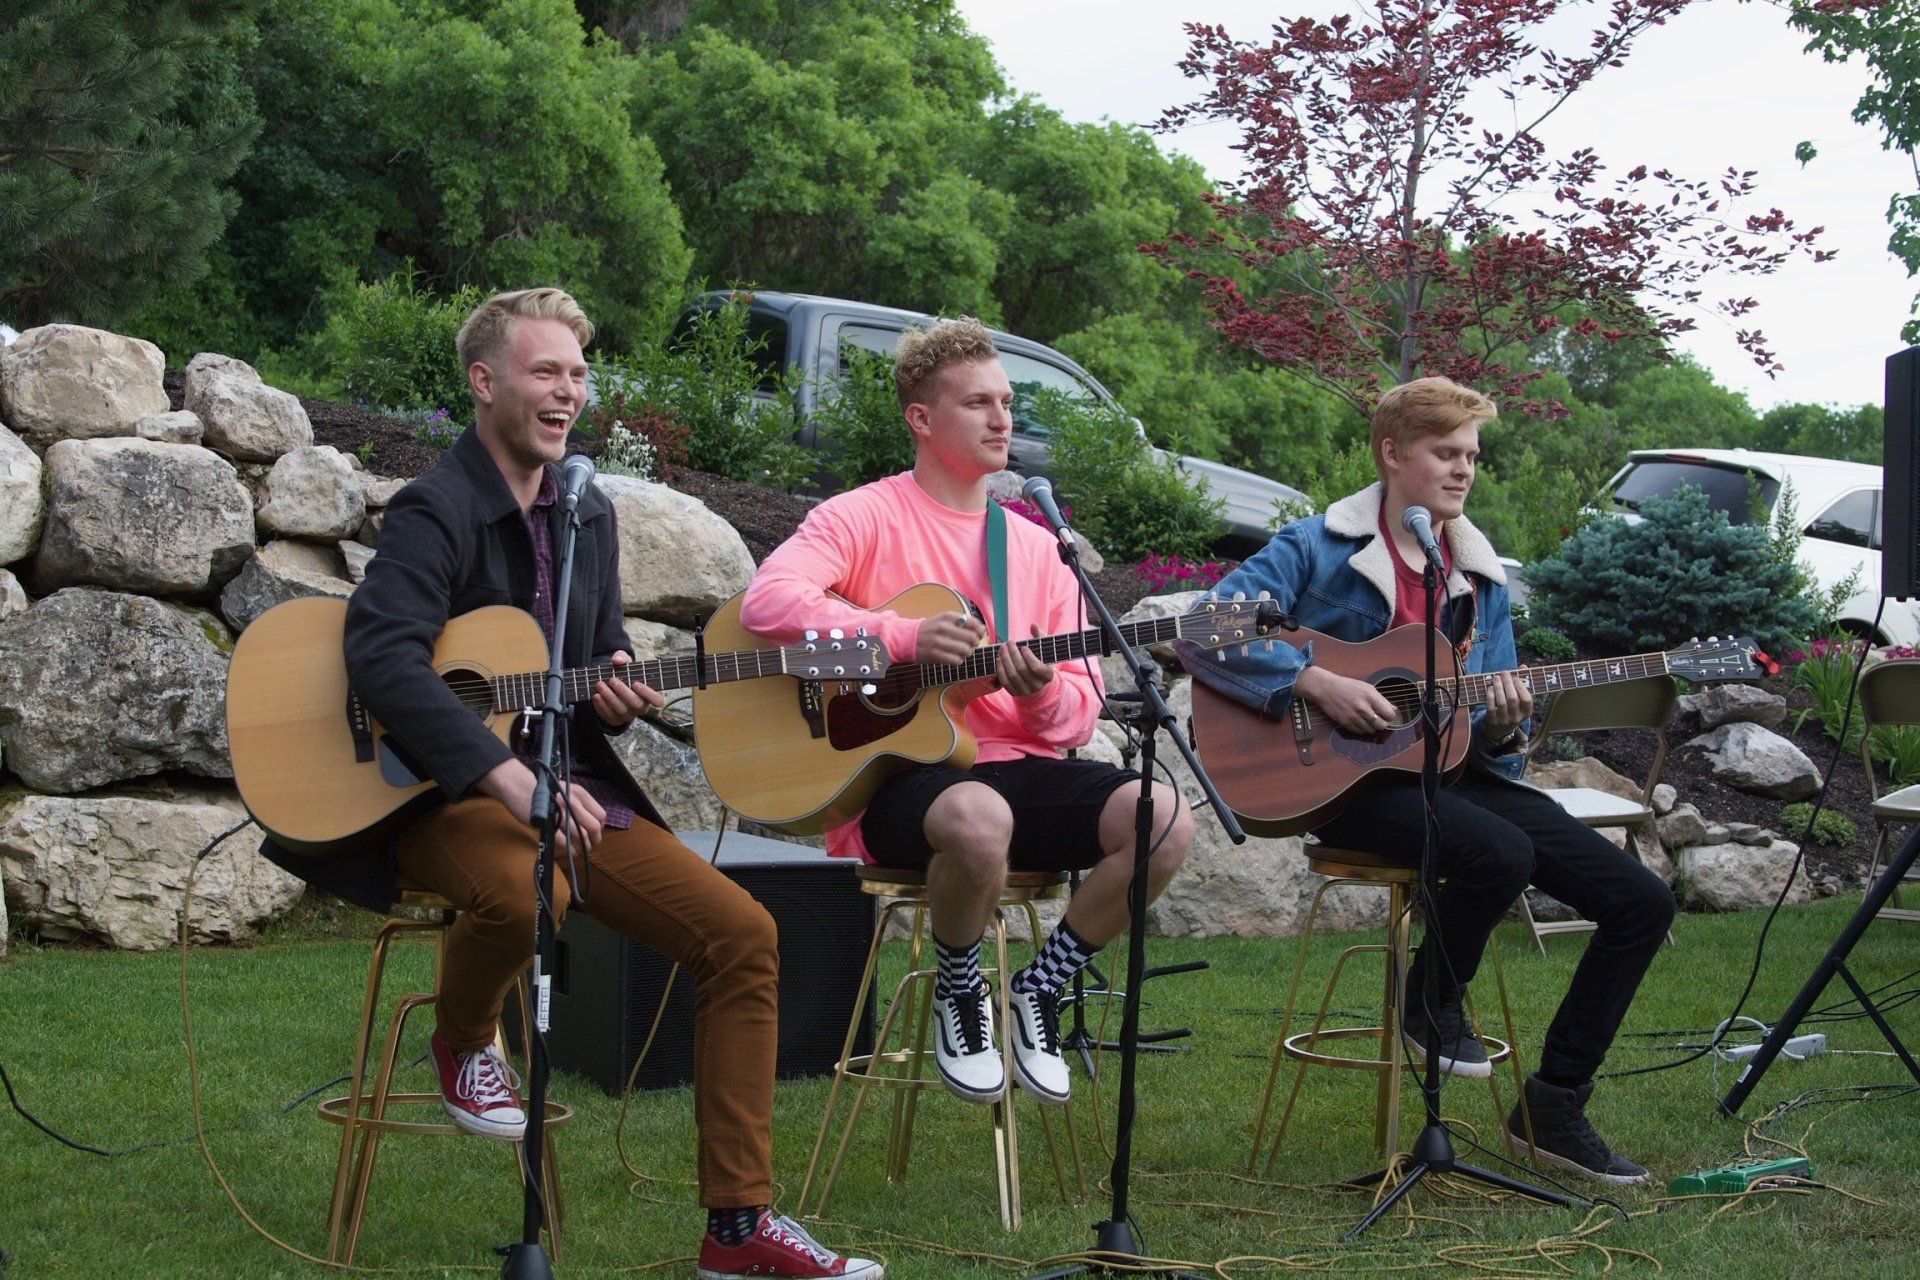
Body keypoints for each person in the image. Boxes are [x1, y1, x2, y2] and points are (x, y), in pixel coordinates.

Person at [266, 289, 879, 1279]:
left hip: (572, 789)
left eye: (580, 374)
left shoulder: (587, 508)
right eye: (546, 371)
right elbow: (383, 657)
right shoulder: (437, 507)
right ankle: (464, 1038)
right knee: (527, 888)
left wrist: (616, 688)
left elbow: (593, 653)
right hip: (432, 796)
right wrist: (506, 778)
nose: (569, 392)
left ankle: (737, 1230)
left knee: (743, 934)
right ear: (485, 382)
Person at [1179, 377, 1674, 1186]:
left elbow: (1492, 739)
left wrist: (1506, 723)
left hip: (1451, 777)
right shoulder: (1316, 547)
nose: (1463, 469)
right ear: (1392, 454)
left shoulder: (1479, 578)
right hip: (1348, 786)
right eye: (1446, 452)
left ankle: (1553, 1105)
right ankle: (1431, 1002)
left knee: (1642, 901)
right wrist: (1312, 681)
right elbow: (1204, 627)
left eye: (1471, 455)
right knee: (1498, 853)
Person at [739, 318, 1195, 1109]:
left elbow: (1077, 714)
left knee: (1165, 821)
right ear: (921, 418)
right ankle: (960, 985)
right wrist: (901, 635)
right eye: (978, 403)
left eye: (1007, 403)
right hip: (898, 777)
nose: (1001, 419)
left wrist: (1037, 690)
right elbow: (768, 602)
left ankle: (1041, 985)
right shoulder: (862, 516)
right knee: (980, 820)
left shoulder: (1036, 548)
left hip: (1019, 774)